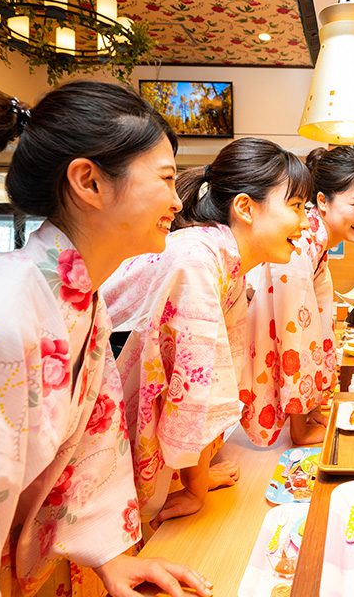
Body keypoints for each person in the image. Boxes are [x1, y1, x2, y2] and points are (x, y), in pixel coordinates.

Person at [0, 79, 212, 596]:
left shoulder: (80, 301)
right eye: (164, 179)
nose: (178, 203)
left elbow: (91, 439)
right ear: (89, 182)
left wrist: (109, 556)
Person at [102, 138, 311, 529]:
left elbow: (208, 376)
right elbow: (195, 393)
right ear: (246, 208)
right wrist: (195, 490)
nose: (303, 223)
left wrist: (195, 476)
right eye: (296, 207)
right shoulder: (198, 259)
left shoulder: (219, 256)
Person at [244, 145, 354, 446]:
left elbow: (320, 330)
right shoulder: (299, 242)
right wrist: (301, 431)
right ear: (322, 201)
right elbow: (297, 339)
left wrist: (311, 412)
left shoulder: (318, 243)